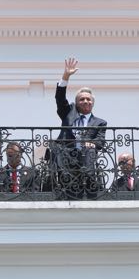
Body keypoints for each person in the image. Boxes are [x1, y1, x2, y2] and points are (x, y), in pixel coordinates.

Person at [50, 58, 107, 200]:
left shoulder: (100, 122)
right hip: (67, 155)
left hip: (86, 158)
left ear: (92, 103)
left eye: (88, 99)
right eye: (82, 99)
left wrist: (92, 144)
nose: (85, 101)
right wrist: (66, 76)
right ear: (76, 103)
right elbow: (59, 97)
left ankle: (89, 182)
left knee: (90, 151)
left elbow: (100, 141)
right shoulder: (68, 112)